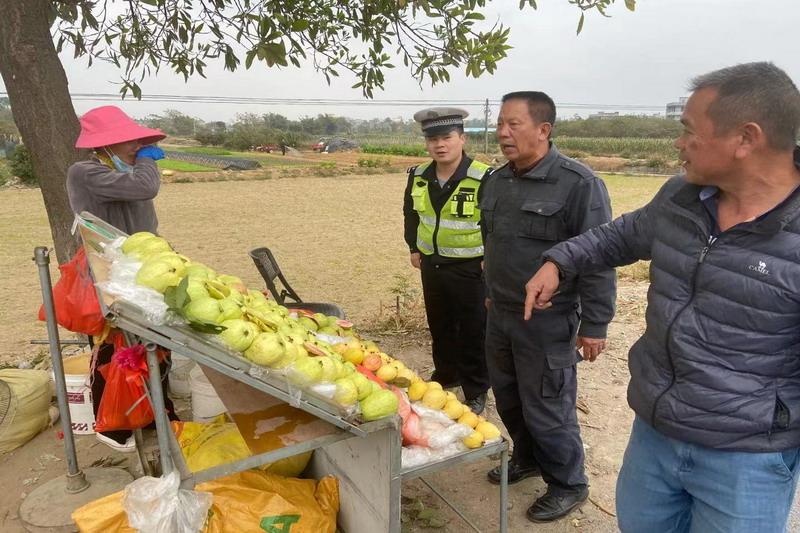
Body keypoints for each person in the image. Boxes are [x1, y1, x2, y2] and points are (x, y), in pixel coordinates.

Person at [524, 62, 800, 532]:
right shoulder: (682, 198)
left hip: (746, 459)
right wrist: (559, 261)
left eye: (690, 131)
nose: (679, 143)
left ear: (745, 139)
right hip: (655, 433)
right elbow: (617, 237)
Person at [480, 92, 615, 522]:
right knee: (507, 395)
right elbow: (494, 244)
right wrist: (491, 289)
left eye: (513, 124)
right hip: (500, 313)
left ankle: (569, 483)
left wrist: (595, 323)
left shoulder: (579, 184)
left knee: (547, 404)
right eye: (500, 124)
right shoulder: (497, 181)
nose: (503, 133)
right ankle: (528, 457)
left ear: (544, 130)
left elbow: (599, 257)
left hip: (549, 318)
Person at [67, 105, 176, 453]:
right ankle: (112, 425)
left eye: (139, 141)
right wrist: (147, 159)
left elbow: (144, 219)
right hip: (109, 275)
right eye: (130, 141)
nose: (137, 147)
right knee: (116, 348)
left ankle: (157, 412)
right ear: (105, 145)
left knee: (157, 344)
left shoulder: (124, 173)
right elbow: (145, 186)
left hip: (141, 272)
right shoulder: (85, 172)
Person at [403, 107, 492, 414]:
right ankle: (446, 376)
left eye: (446, 137)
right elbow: (411, 214)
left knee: (472, 328)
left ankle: (477, 387)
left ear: (462, 138)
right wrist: (414, 247)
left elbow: (496, 221)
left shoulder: (483, 176)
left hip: (471, 266)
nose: (440, 145)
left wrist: (490, 257)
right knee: (439, 324)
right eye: (433, 139)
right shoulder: (419, 176)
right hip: (432, 264)